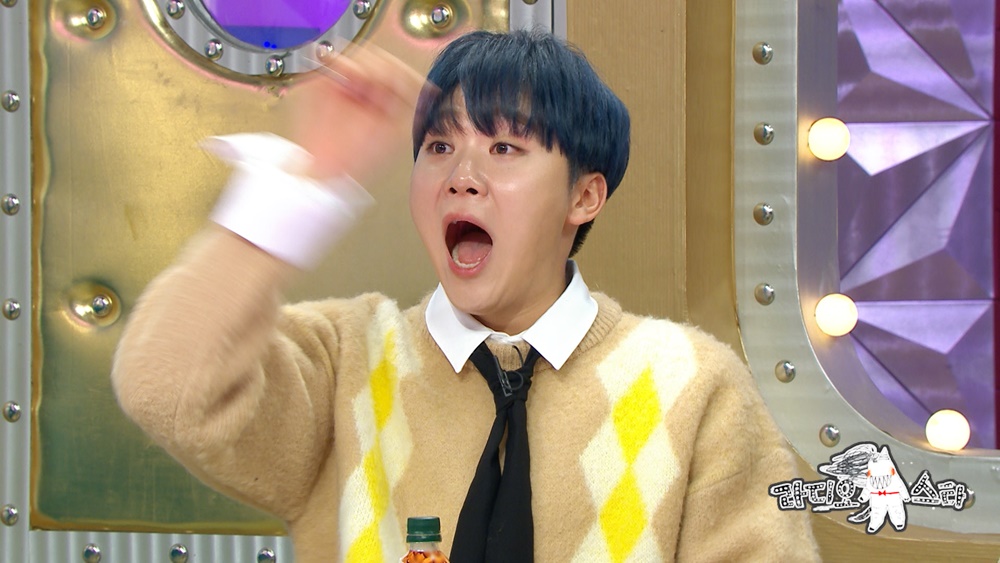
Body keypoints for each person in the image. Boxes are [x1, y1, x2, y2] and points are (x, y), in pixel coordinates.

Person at [112, 30, 820, 562]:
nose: (462, 175)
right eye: (439, 147)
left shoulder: (694, 384)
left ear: (584, 195)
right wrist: (307, 178)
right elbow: (164, 387)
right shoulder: (345, 360)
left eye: (505, 149)